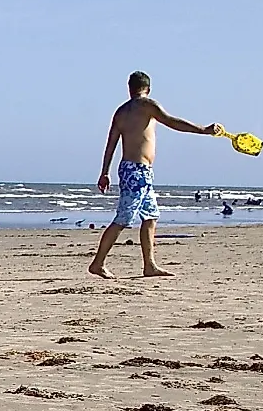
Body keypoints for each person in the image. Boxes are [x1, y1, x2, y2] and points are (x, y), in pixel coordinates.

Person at [89, 70, 225, 279]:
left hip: (136, 171)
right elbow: (172, 122)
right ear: (148, 89)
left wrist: (105, 172)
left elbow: (111, 144)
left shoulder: (121, 111)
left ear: (129, 88)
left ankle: (149, 265)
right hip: (136, 171)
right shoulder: (147, 105)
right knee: (123, 219)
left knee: (151, 216)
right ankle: (98, 263)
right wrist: (203, 130)